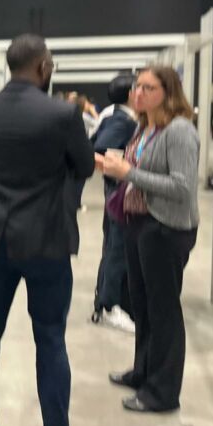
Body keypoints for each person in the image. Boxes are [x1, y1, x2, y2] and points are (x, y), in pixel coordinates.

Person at [0, 34, 94, 426]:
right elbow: (85, 166)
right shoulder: (63, 114)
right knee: (51, 336)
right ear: (43, 66)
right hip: (46, 237)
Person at [101, 66, 199, 414]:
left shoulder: (179, 131)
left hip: (166, 228)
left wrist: (129, 173)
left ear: (168, 92)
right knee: (141, 305)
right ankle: (143, 372)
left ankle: (163, 392)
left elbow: (182, 187)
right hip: (139, 224)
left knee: (163, 311)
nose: (138, 93)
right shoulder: (145, 127)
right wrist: (115, 167)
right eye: (137, 86)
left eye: (148, 87)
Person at [90, 74, 138, 333]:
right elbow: (100, 148)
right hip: (119, 193)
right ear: (131, 93)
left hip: (117, 191)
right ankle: (109, 305)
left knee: (114, 246)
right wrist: (121, 171)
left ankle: (106, 302)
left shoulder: (118, 116)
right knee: (116, 248)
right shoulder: (121, 120)